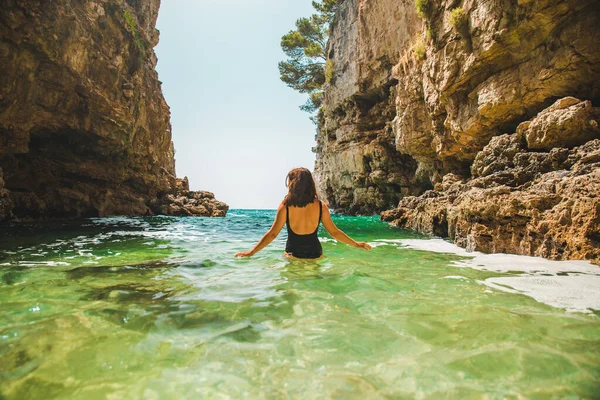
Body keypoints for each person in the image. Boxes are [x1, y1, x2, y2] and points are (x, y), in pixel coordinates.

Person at [235, 168, 372, 259]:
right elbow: (334, 232)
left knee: (293, 294)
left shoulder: (286, 206)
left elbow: (272, 234)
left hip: (293, 255)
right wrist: (356, 244)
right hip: (316, 254)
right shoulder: (320, 205)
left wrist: (251, 252)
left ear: (293, 184)